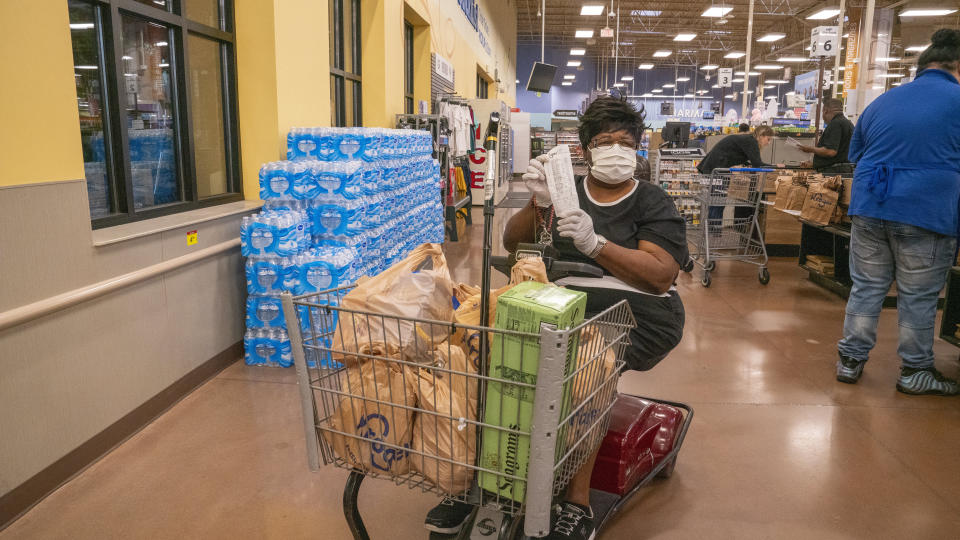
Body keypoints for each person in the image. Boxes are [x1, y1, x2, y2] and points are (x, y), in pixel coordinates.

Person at [423, 96, 688, 539]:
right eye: (605, 141)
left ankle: (576, 503)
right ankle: (476, 481)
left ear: (638, 149)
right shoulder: (566, 192)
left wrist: (596, 244)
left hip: (636, 312)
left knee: (585, 367)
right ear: (585, 150)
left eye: (626, 142)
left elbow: (660, 276)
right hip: (555, 304)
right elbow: (513, 243)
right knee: (476, 352)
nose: (617, 150)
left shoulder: (652, 201)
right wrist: (538, 203)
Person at [835, 28, 960, 396]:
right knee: (918, 296)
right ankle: (915, 370)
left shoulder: (883, 102)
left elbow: (856, 155)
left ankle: (850, 360)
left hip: (871, 205)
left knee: (867, 286)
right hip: (925, 209)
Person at [697, 125, 782, 231]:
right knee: (717, 201)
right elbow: (758, 164)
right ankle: (713, 232)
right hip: (717, 169)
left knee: (718, 201)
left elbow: (740, 155)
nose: (768, 143)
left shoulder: (748, 139)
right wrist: (776, 166)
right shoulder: (751, 141)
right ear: (761, 135)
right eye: (768, 139)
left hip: (717, 168)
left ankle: (713, 231)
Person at [797, 98, 854, 173]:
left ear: (825, 111)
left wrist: (810, 149)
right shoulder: (848, 123)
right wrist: (815, 164)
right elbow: (840, 154)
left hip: (833, 173)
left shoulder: (835, 124)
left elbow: (830, 151)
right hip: (843, 170)